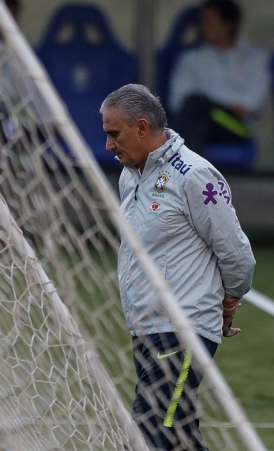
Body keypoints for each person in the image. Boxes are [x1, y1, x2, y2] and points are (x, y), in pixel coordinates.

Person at [100, 83, 255, 450]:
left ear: (141, 127)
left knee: (149, 433)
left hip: (182, 330)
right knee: (178, 438)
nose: (108, 146)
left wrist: (230, 299)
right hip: (145, 327)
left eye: (114, 134)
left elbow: (237, 253)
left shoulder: (195, 175)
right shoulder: (130, 176)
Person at [168, 0, 270, 154]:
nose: (203, 26)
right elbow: (177, 100)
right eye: (202, 20)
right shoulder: (191, 58)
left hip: (236, 126)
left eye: (209, 21)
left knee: (197, 106)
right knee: (199, 121)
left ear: (228, 25)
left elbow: (251, 103)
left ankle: (169, 161)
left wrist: (208, 100)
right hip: (200, 120)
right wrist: (224, 101)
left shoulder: (255, 59)